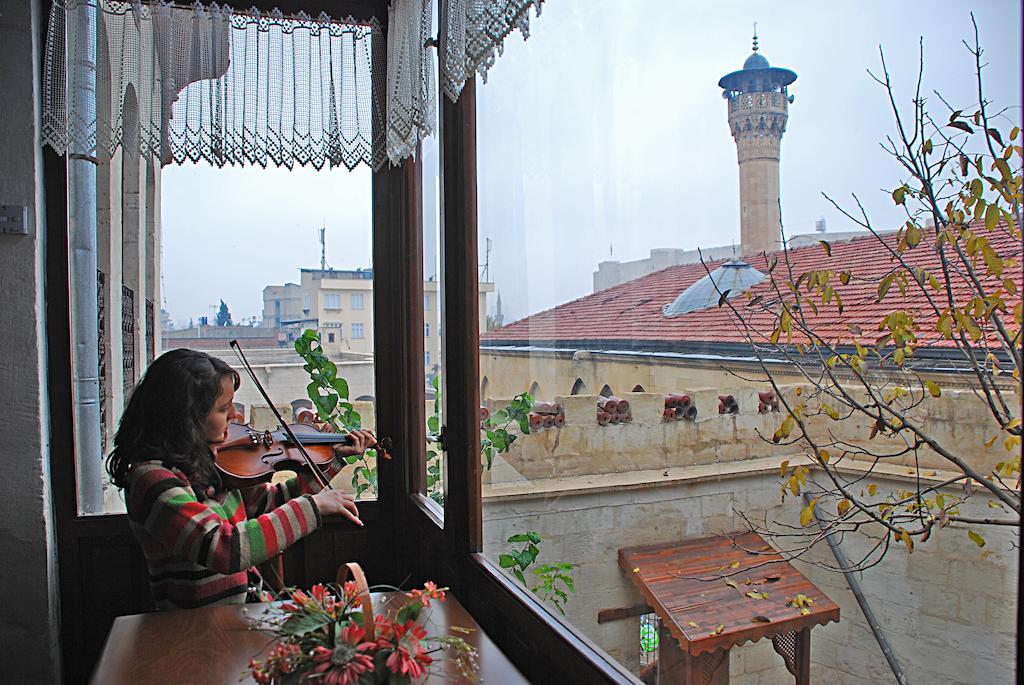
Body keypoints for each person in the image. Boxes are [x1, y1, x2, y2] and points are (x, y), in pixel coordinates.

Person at [105, 348, 375, 610]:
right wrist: (313, 507)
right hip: (195, 628)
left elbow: (270, 502)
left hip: (241, 613)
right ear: (187, 417)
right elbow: (223, 547)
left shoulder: (207, 465)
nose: (235, 416)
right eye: (224, 409)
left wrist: (334, 461)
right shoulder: (152, 481)